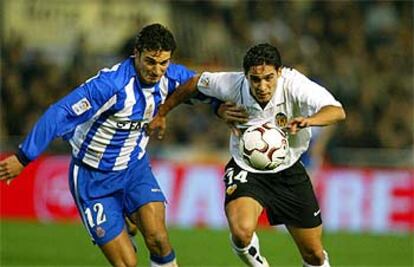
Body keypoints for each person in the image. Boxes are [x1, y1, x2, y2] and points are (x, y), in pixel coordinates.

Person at [0, 23, 247, 267]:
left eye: (164, 63)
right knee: (127, 263)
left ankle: (130, 220)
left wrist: (218, 108)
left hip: (133, 170)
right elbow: (58, 113)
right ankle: (124, 220)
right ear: (136, 54)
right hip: (92, 178)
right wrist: (23, 157)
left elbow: (197, 87)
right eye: (150, 61)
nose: (157, 70)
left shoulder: (170, 76)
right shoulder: (110, 86)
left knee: (159, 239)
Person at [148, 43, 346, 267]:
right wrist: (163, 112)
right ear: (246, 76)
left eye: (269, 78)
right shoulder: (232, 83)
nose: (262, 85)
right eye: (255, 79)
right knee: (241, 233)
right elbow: (195, 83)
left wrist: (309, 121)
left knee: (314, 255)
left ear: (279, 72)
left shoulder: (294, 84)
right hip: (246, 169)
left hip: (289, 171)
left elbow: (336, 111)